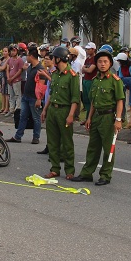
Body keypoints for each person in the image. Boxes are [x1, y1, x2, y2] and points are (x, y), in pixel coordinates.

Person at [71, 48, 125, 186]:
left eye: (105, 61)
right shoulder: (95, 80)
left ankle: (105, 175)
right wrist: (89, 118)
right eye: (100, 61)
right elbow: (94, 102)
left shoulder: (115, 80)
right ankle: (86, 173)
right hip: (96, 117)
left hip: (108, 117)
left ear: (110, 64)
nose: (102, 64)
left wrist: (118, 119)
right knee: (93, 147)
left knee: (108, 148)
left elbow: (120, 100)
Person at [42, 46, 80, 180]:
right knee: (52, 141)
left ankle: (69, 170)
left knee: (67, 141)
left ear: (59, 58)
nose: (52, 60)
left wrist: (71, 115)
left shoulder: (72, 76)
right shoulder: (55, 74)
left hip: (65, 110)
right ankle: (55, 168)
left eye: (53, 57)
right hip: (52, 109)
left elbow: (75, 98)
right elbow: (51, 94)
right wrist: (45, 109)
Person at [10, 44, 44, 144]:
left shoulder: (40, 68)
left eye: (27, 55)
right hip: (26, 96)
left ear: (32, 56)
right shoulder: (30, 67)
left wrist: (39, 99)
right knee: (23, 116)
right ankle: (18, 136)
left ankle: (36, 137)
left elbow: (41, 86)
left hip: (34, 97)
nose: (26, 57)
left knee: (36, 118)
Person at [5, 44, 24, 115]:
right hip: (10, 81)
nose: (12, 52)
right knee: (11, 95)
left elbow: (19, 71)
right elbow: (7, 69)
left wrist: (12, 78)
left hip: (16, 80)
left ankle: (17, 110)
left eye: (14, 51)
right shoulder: (9, 60)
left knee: (17, 95)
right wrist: (8, 78)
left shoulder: (20, 60)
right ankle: (11, 109)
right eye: (11, 51)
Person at [81, 42, 97, 116]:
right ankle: (87, 116)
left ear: (93, 49)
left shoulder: (95, 59)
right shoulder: (87, 59)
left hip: (91, 80)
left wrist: (86, 69)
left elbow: (90, 70)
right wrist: (86, 69)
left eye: (89, 49)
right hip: (85, 79)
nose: (87, 51)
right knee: (85, 99)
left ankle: (91, 116)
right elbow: (82, 69)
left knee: (91, 99)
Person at [0, 47, 10, 114]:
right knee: (2, 93)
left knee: (6, 93)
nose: (4, 53)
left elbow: (3, 68)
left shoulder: (8, 59)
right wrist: (0, 68)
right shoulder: (2, 59)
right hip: (1, 78)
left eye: (6, 51)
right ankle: (3, 107)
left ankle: (6, 108)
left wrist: (0, 68)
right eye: (3, 51)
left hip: (5, 77)